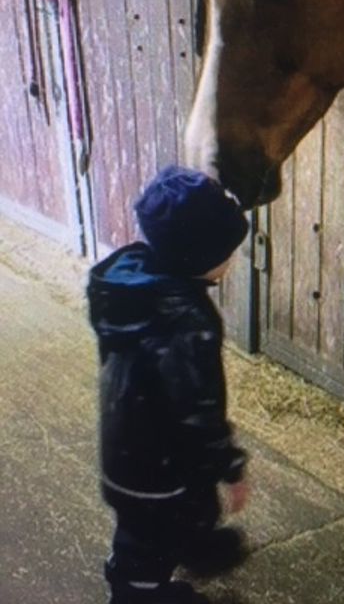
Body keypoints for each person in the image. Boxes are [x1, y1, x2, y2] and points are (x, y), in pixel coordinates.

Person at [87, 165, 251, 604]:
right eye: (228, 251)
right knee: (153, 537)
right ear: (198, 257)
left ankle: (153, 570)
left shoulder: (133, 288)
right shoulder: (187, 320)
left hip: (125, 451)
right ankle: (138, 594)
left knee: (142, 530)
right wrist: (230, 466)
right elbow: (199, 411)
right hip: (160, 468)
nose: (233, 260)